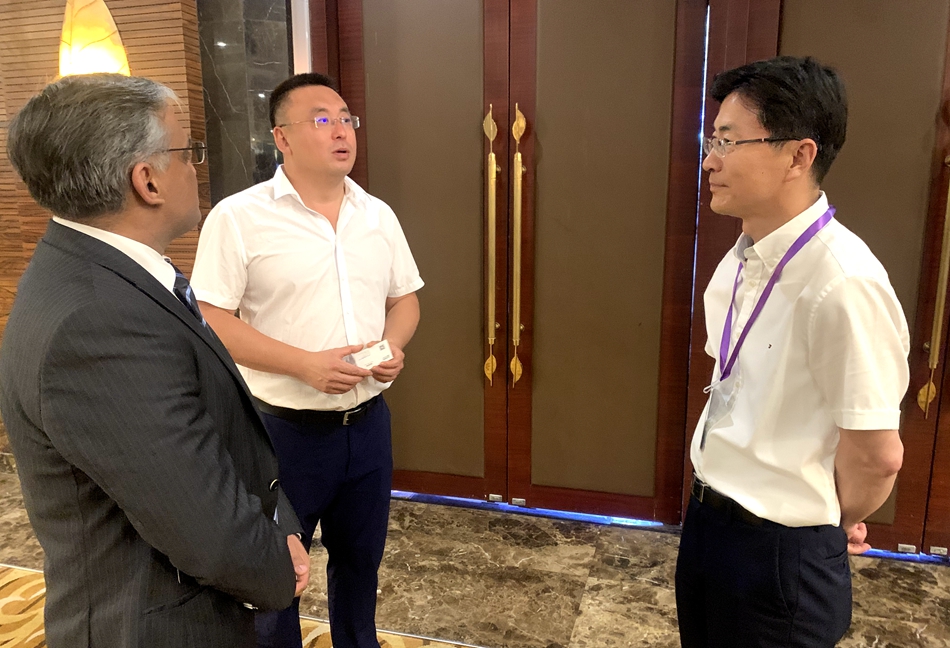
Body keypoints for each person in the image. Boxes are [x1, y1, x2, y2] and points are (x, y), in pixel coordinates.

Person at [0, 73, 311, 648]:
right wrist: (275, 568)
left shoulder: (109, 273)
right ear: (146, 180)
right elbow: (202, 525)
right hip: (157, 625)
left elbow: (210, 433)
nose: (196, 166)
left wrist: (280, 526)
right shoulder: (97, 321)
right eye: (188, 151)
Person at [674, 56, 909, 647]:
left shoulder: (844, 282)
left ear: (799, 156)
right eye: (711, 140)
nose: (710, 160)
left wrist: (828, 521)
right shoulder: (742, 257)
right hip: (709, 521)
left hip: (780, 556)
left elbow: (877, 456)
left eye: (728, 141)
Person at [191, 72, 423, 648]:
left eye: (347, 118)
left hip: (367, 428)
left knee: (361, 565)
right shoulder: (239, 217)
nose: (341, 131)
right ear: (282, 137)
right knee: (277, 576)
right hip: (280, 435)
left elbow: (405, 299)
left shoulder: (377, 214)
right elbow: (211, 318)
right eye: (322, 119)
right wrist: (303, 364)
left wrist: (394, 345)